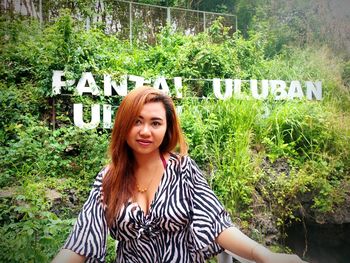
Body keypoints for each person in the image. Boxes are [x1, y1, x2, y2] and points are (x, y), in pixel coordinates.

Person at [52, 86, 308, 263]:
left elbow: (217, 225)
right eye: (137, 121)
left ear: (167, 128)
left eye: (155, 123)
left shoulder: (183, 169)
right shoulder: (108, 178)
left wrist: (264, 255)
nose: (145, 131)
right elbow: (81, 240)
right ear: (124, 125)